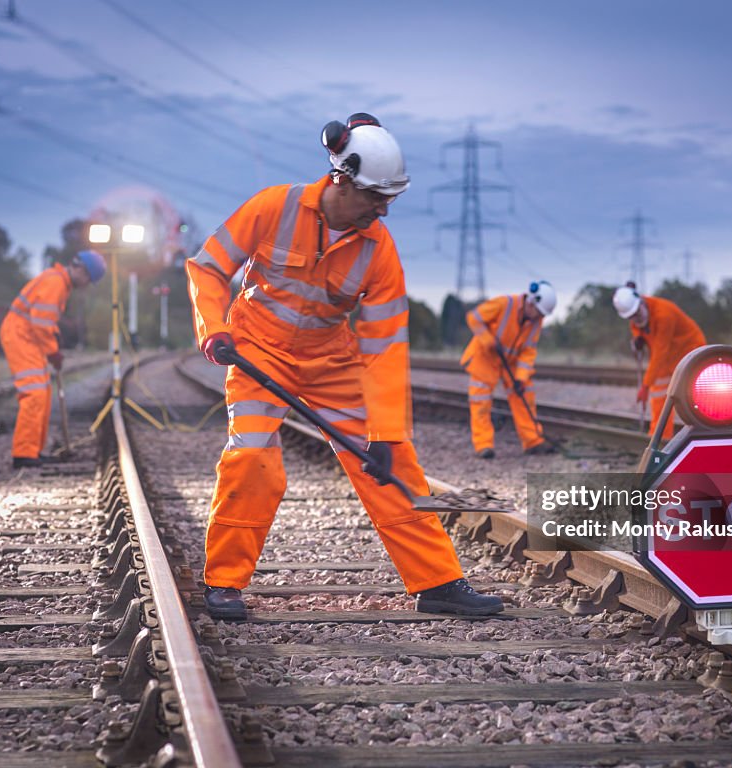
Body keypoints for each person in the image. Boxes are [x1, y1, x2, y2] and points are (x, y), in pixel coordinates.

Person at [186, 112, 504, 620]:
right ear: (341, 179)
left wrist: (384, 431)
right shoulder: (273, 207)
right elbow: (207, 267)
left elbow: (384, 346)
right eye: (377, 198)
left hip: (331, 361)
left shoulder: (380, 251)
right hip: (256, 351)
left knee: (392, 460)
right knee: (252, 457)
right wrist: (213, 329)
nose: (384, 209)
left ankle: (438, 582)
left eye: (389, 199)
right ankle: (223, 583)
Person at [0, 250, 106, 469]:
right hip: (20, 336)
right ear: (81, 271)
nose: (86, 285)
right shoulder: (55, 283)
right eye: (88, 280)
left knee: (43, 393)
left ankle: (32, 451)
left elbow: (45, 321)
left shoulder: (59, 283)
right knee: (34, 394)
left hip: (28, 337)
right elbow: (41, 324)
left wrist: (54, 343)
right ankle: (23, 454)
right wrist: (53, 352)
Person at [460, 281, 557, 458]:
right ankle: (483, 445)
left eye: (542, 315)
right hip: (486, 357)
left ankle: (533, 441)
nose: (539, 318)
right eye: (538, 312)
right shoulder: (505, 303)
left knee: (524, 394)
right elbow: (474, 318)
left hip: (511, 362)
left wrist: (520, 378)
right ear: (531, 301)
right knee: (480, 400)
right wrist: (487, 339)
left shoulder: (537, 320)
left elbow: (528, 350)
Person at [612, 284, 706, 439]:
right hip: (670, 356)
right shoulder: (636, 318)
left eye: (637, 313)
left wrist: (645, 385)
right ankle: (659, 439)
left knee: (694, 398)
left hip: (689, 350)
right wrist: (638, 338)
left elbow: (659, 353)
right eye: (631, 317)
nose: (636, 318)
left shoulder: (664, 315)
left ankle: (705, 435)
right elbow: (638, 329)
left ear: (641, 301)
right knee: (659, 394)